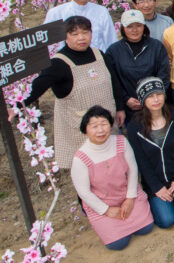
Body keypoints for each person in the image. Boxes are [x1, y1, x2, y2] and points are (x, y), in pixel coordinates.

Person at [21, 16, 125, 170]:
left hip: (107, 122)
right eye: (74, 34)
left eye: (85, 32)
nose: (81, 38)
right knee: (89, 171)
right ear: (66, 37)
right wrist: (14, 107)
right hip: (79, 129)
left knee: (113, 166)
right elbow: (37, 87)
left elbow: (114, 82)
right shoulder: (58, 63)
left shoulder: (99, 54)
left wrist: (120, 107)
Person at [71, 105, 154, 250]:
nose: (101, 130)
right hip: (103, 201)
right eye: (94, 126)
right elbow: (83, 192)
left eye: (104, 124)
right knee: (118, 243)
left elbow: (133, 170)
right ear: (85, 130)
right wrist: (106, 210)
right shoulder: (81, 158)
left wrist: (130, 198)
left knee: (146, 228)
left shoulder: (121, 142)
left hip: (127, 194)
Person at [125, 77, 174, 229]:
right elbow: (141, 161)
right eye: (150, 96)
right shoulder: (134, 126)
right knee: (167, 220)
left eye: (158, 94)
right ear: (143, 100)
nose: (156, 99)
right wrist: (156, 187)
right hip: (156, 181)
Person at [104, 9, 170, 117]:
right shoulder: (114, 51)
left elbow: (164, 75)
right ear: (123, 28)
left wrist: (152, 97)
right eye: (129, 26)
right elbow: (112, 79)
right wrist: (126, 99)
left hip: (155, 105)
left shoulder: (156, 46)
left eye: (138, 25)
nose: (134, 30)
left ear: (144, 26)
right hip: (129, 107)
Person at [44, 0, 118, 53]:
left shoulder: (101, 11)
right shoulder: (56, 13)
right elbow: (48, 46)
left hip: (97, 61)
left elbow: (111, 41)